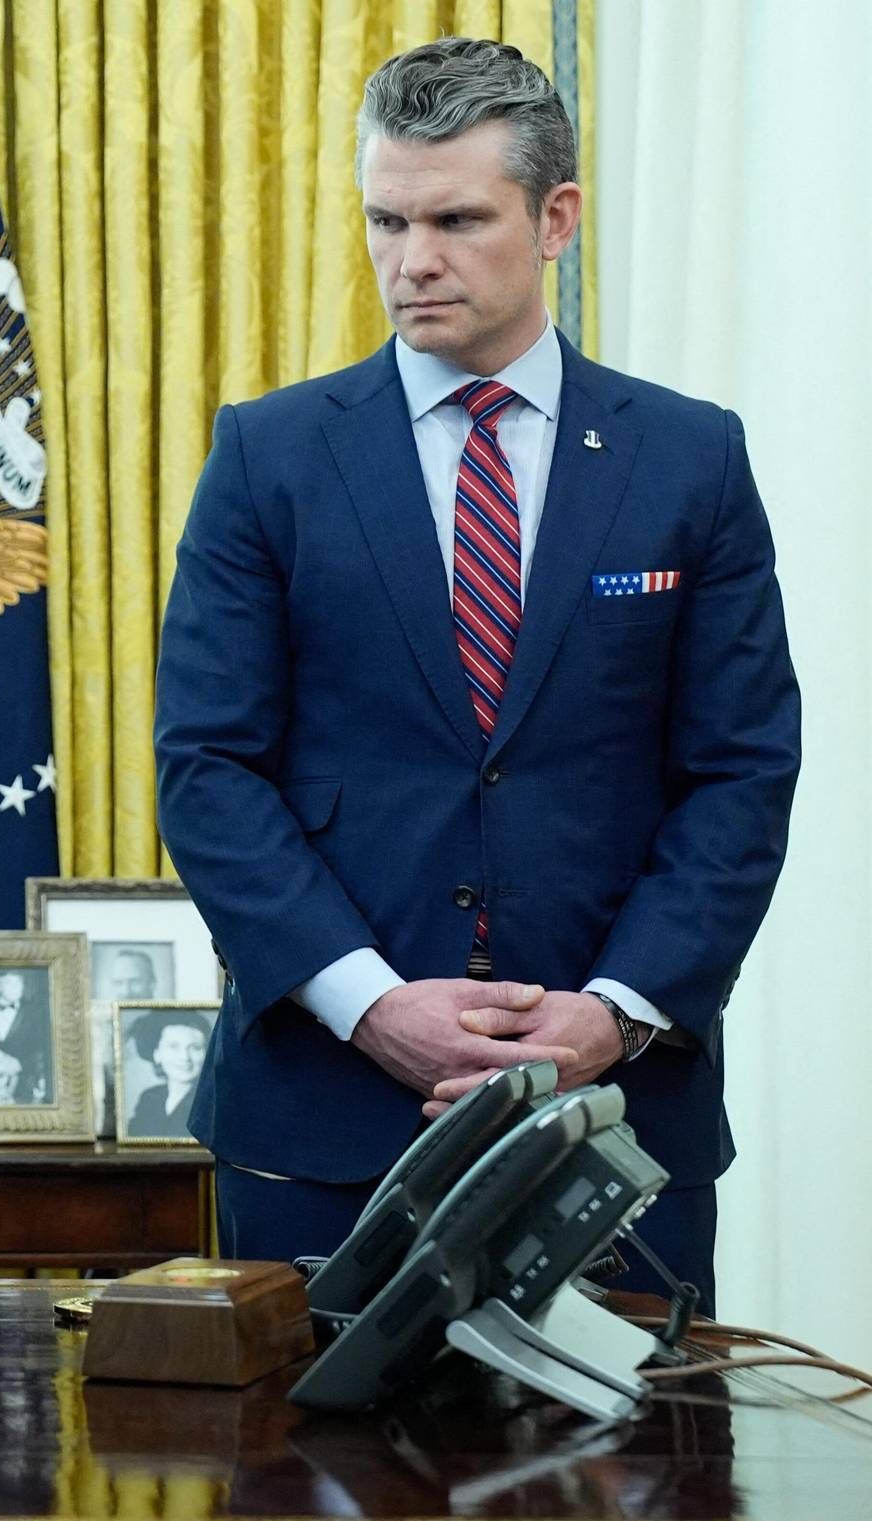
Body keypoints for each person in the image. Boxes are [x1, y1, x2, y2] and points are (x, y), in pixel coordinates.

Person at [154, 39, 798, 1311]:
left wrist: (614, 1013)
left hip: (619, 1123)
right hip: (326, 1121)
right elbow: (208, 768)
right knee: (310, 1444)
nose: (413, 261)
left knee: (632, 1448)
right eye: (386, 220)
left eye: (456, 221)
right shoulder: (269, 457)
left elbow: (741, 773)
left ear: (555, 220)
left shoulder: (691, 460)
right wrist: (368, 1005)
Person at [124, 1011, 210, 1140]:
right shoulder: (149, 1098)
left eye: (195, 1048)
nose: (185, 1057)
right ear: (156, 1054)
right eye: (174, 1047)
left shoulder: (211, 1102)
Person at [0, 969, 51, 1104]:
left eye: (20, 982)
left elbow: (41, 1048)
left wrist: (22, 1066)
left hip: (24, 1082)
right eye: (10, 983)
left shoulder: (34, 1012)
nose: (18, 987)